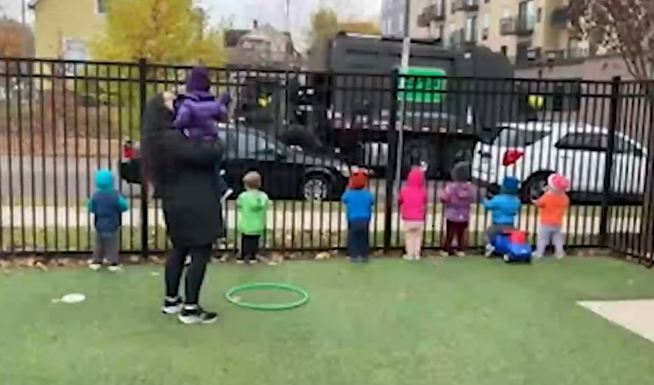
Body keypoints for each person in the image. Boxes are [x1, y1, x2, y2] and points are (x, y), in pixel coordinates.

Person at [142, 92, 225, 325]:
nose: (178, 103)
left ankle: (171, 300)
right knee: (200, 251)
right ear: (163, 111)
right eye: (171, 101)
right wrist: (214, 136)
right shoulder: (171, 139)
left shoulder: (157, 139)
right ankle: (190, 308)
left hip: (176, 203)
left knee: (179, 249)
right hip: (195, 202)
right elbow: (208, 154)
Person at [172, 66, 233, 203]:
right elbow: (223, 116)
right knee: (212, 166)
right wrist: (222, 103)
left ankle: (211, 187)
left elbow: (182, 120)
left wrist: (176, 125)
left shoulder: (187, 103)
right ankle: (220, 186)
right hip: (211, 139)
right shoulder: (213, 103)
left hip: (194, 140)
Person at [87, 169, 129, 272]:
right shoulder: (115, 195)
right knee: (112, 244)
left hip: (99, 223)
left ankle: (97, 261)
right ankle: (113, 262)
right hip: (113, 223)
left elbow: (91, 207)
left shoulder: (96, 195)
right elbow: (124, 206)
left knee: (99, 243)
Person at [440, 162, 475, 257]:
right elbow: (472, 198)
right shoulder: (469, 188)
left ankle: (446, 249)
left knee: (450, 233)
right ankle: (460, 249)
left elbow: (444, 197)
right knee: (461, 233)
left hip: (452, 213)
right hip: (464, 214)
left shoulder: (451, 187)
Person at [533, 174, 570, 259]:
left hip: (546, 222)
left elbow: (539, 203)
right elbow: (566, 204)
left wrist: (543, 194)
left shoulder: (548, 196)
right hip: (558, 222)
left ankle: (539, 252)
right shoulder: (564, 198)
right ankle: (559, 253)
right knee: (557, 238)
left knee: (542, 238)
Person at [482, 176, 521, 257]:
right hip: (510, 224)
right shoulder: (516, 200)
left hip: (498, 224)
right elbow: (517, 210)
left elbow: (488, 205)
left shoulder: (498, 199)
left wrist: (484, 199)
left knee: (486, 234)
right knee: (512, 237)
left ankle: (489, 246)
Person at [236, 171, 269, 265]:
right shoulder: (263, 196)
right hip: (258, 224)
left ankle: (241, 257)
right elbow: (266, 204)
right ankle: (252, 257)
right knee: (255, 242)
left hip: (246, 224)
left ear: (246, 185)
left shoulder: (243, 196)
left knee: (244, 241)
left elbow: (238, 204)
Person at [341, 170, 374, 263]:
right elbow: (372, 201)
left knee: (353, 238)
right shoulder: (367, 194)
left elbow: (343, 199)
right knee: (364, 237)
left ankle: (354, 255)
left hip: (353, 219)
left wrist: (348, 187)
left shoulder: (350, 194)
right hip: (365, 219)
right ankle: (364, 254)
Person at [398, 166, 428, 261]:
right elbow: (425, 200)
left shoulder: (405, 191)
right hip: (419, 218)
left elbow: (399, 200)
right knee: (418, 237)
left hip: (408, 218)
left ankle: (410, 254)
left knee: (409, 236)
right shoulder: (422, 191)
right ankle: (417, 254)